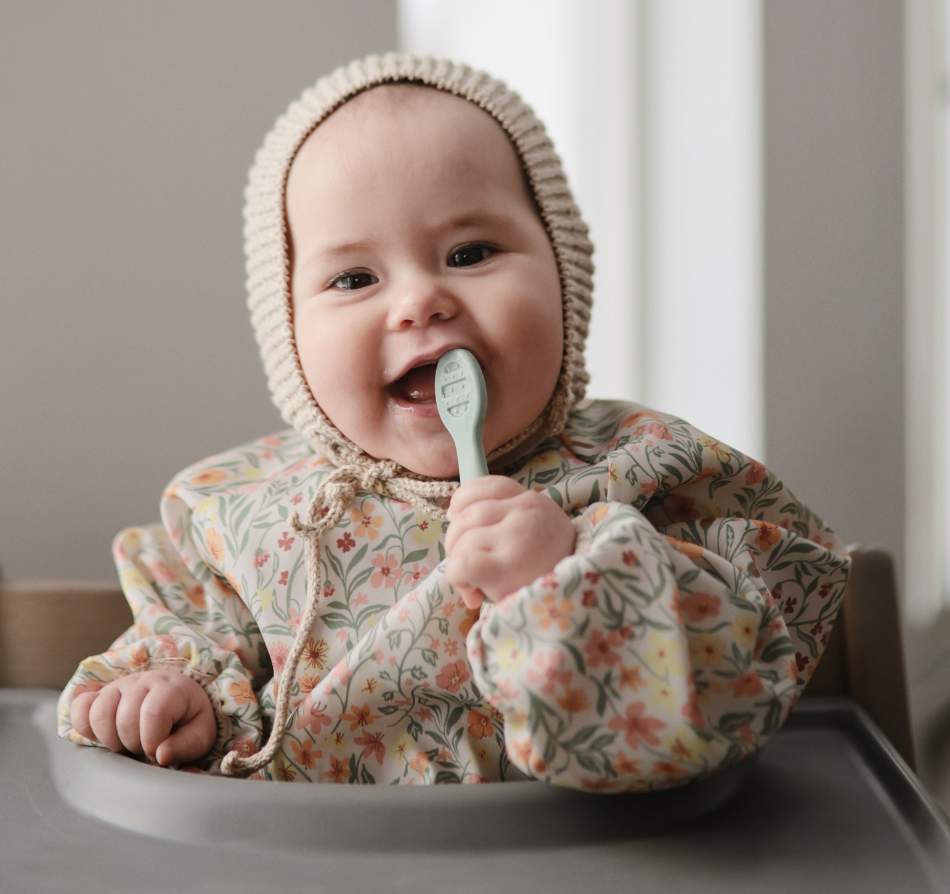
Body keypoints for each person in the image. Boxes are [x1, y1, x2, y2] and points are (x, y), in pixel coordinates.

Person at [57, 55, 848, 788]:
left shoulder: (654, 473)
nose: (419, 301)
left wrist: (569, 574)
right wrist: (179, 699)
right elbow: (192, 637)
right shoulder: (237, 509)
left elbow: (721, 702)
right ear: (288, 335)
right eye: (355, 277)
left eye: (469, 253)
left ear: (565, 273)